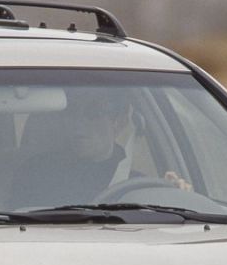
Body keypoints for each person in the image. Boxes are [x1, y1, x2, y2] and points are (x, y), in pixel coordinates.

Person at [10, 89, 191, 208]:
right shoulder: (37, 172)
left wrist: (175, 195)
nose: (78, 123)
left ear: (118, 122)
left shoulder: (138, 184)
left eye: (93, 113)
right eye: (71, 113)